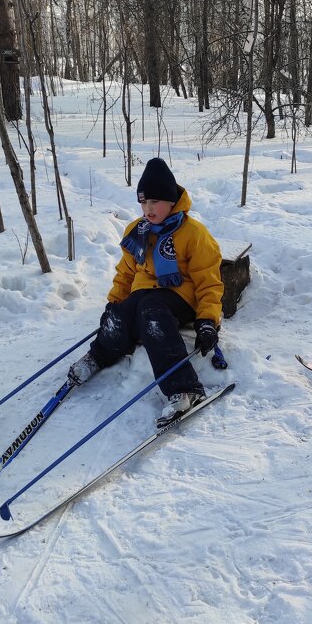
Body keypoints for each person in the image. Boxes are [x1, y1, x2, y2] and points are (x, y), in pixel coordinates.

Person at [68, 158, 223, 426]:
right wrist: (114, 304)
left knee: (151, 310)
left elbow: (209, 281)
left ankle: (184, 388)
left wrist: (208, 321)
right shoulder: (137, 232)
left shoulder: (193, 234)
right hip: (144, 294)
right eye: (144, 202)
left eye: (155, 203)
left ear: (172, 202)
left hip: (179, 297)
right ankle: (99, 355)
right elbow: (126, 273)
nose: (148, 209)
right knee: (125, 311)